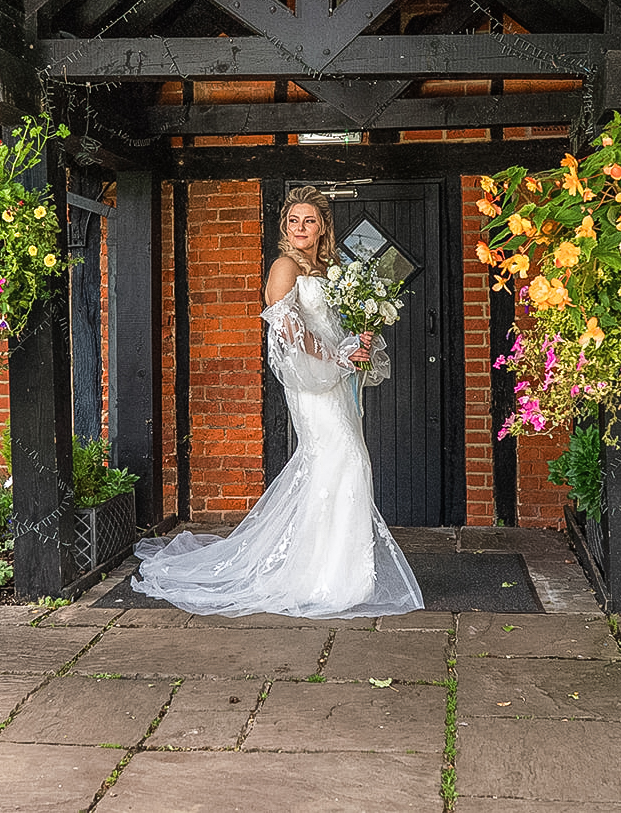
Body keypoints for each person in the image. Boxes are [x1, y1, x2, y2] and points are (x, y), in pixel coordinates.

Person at [132, 186, 424, 618]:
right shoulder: (284, 266)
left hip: (336, 381)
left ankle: (339, 574)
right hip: (310, 382)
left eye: (308, 220)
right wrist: (335, 355)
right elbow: (286, 328)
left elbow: (331, 325)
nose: (300, 228)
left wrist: (356, 340)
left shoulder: (333, 268)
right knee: (345, 460)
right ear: (285, 226)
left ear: (322, 225)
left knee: (337, 465)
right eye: (293, 221)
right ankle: (322, 578)